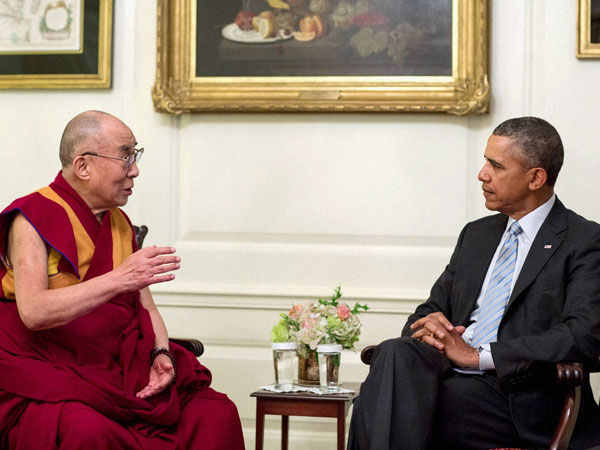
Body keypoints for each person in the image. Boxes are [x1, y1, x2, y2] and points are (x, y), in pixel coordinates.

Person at [348, 117, 600, 450]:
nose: (482, 174)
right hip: (448, 375)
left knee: (386, 402)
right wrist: (432, 332)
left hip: (519, 396)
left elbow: (584, 335)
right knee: (395, 352)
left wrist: (478, 356)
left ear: (535, 178)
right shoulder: (476, 235)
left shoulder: (584, 240)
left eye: (496, 166)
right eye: (485, 162)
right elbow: (424, 315)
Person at [0, 111, 245, 449]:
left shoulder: (119, 223)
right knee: (86, 430)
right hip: (50, 368)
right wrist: (120, 278)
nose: (135, 169)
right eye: (125, 156)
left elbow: (147, 308)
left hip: (115, 367)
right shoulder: (31, 218)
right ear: (83, 166)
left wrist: (160, 354)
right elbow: (33, 312)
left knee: (216, 413)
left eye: (135, 155)